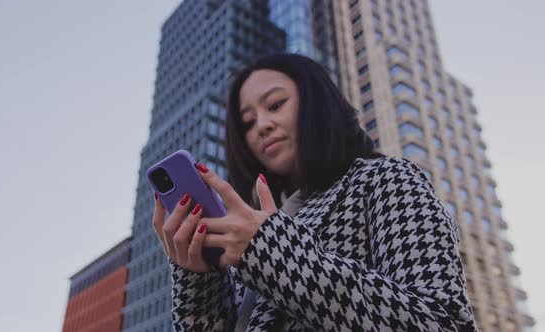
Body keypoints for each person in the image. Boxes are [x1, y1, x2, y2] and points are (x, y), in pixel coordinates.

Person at [152, 53, 477, 331]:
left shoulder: (384, 179)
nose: (262, 125)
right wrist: (199, 279)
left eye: (275, 104)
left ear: (316, 103)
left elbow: (441, 322)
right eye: (248, 123)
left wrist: (270, 252)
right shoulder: (252, 233)